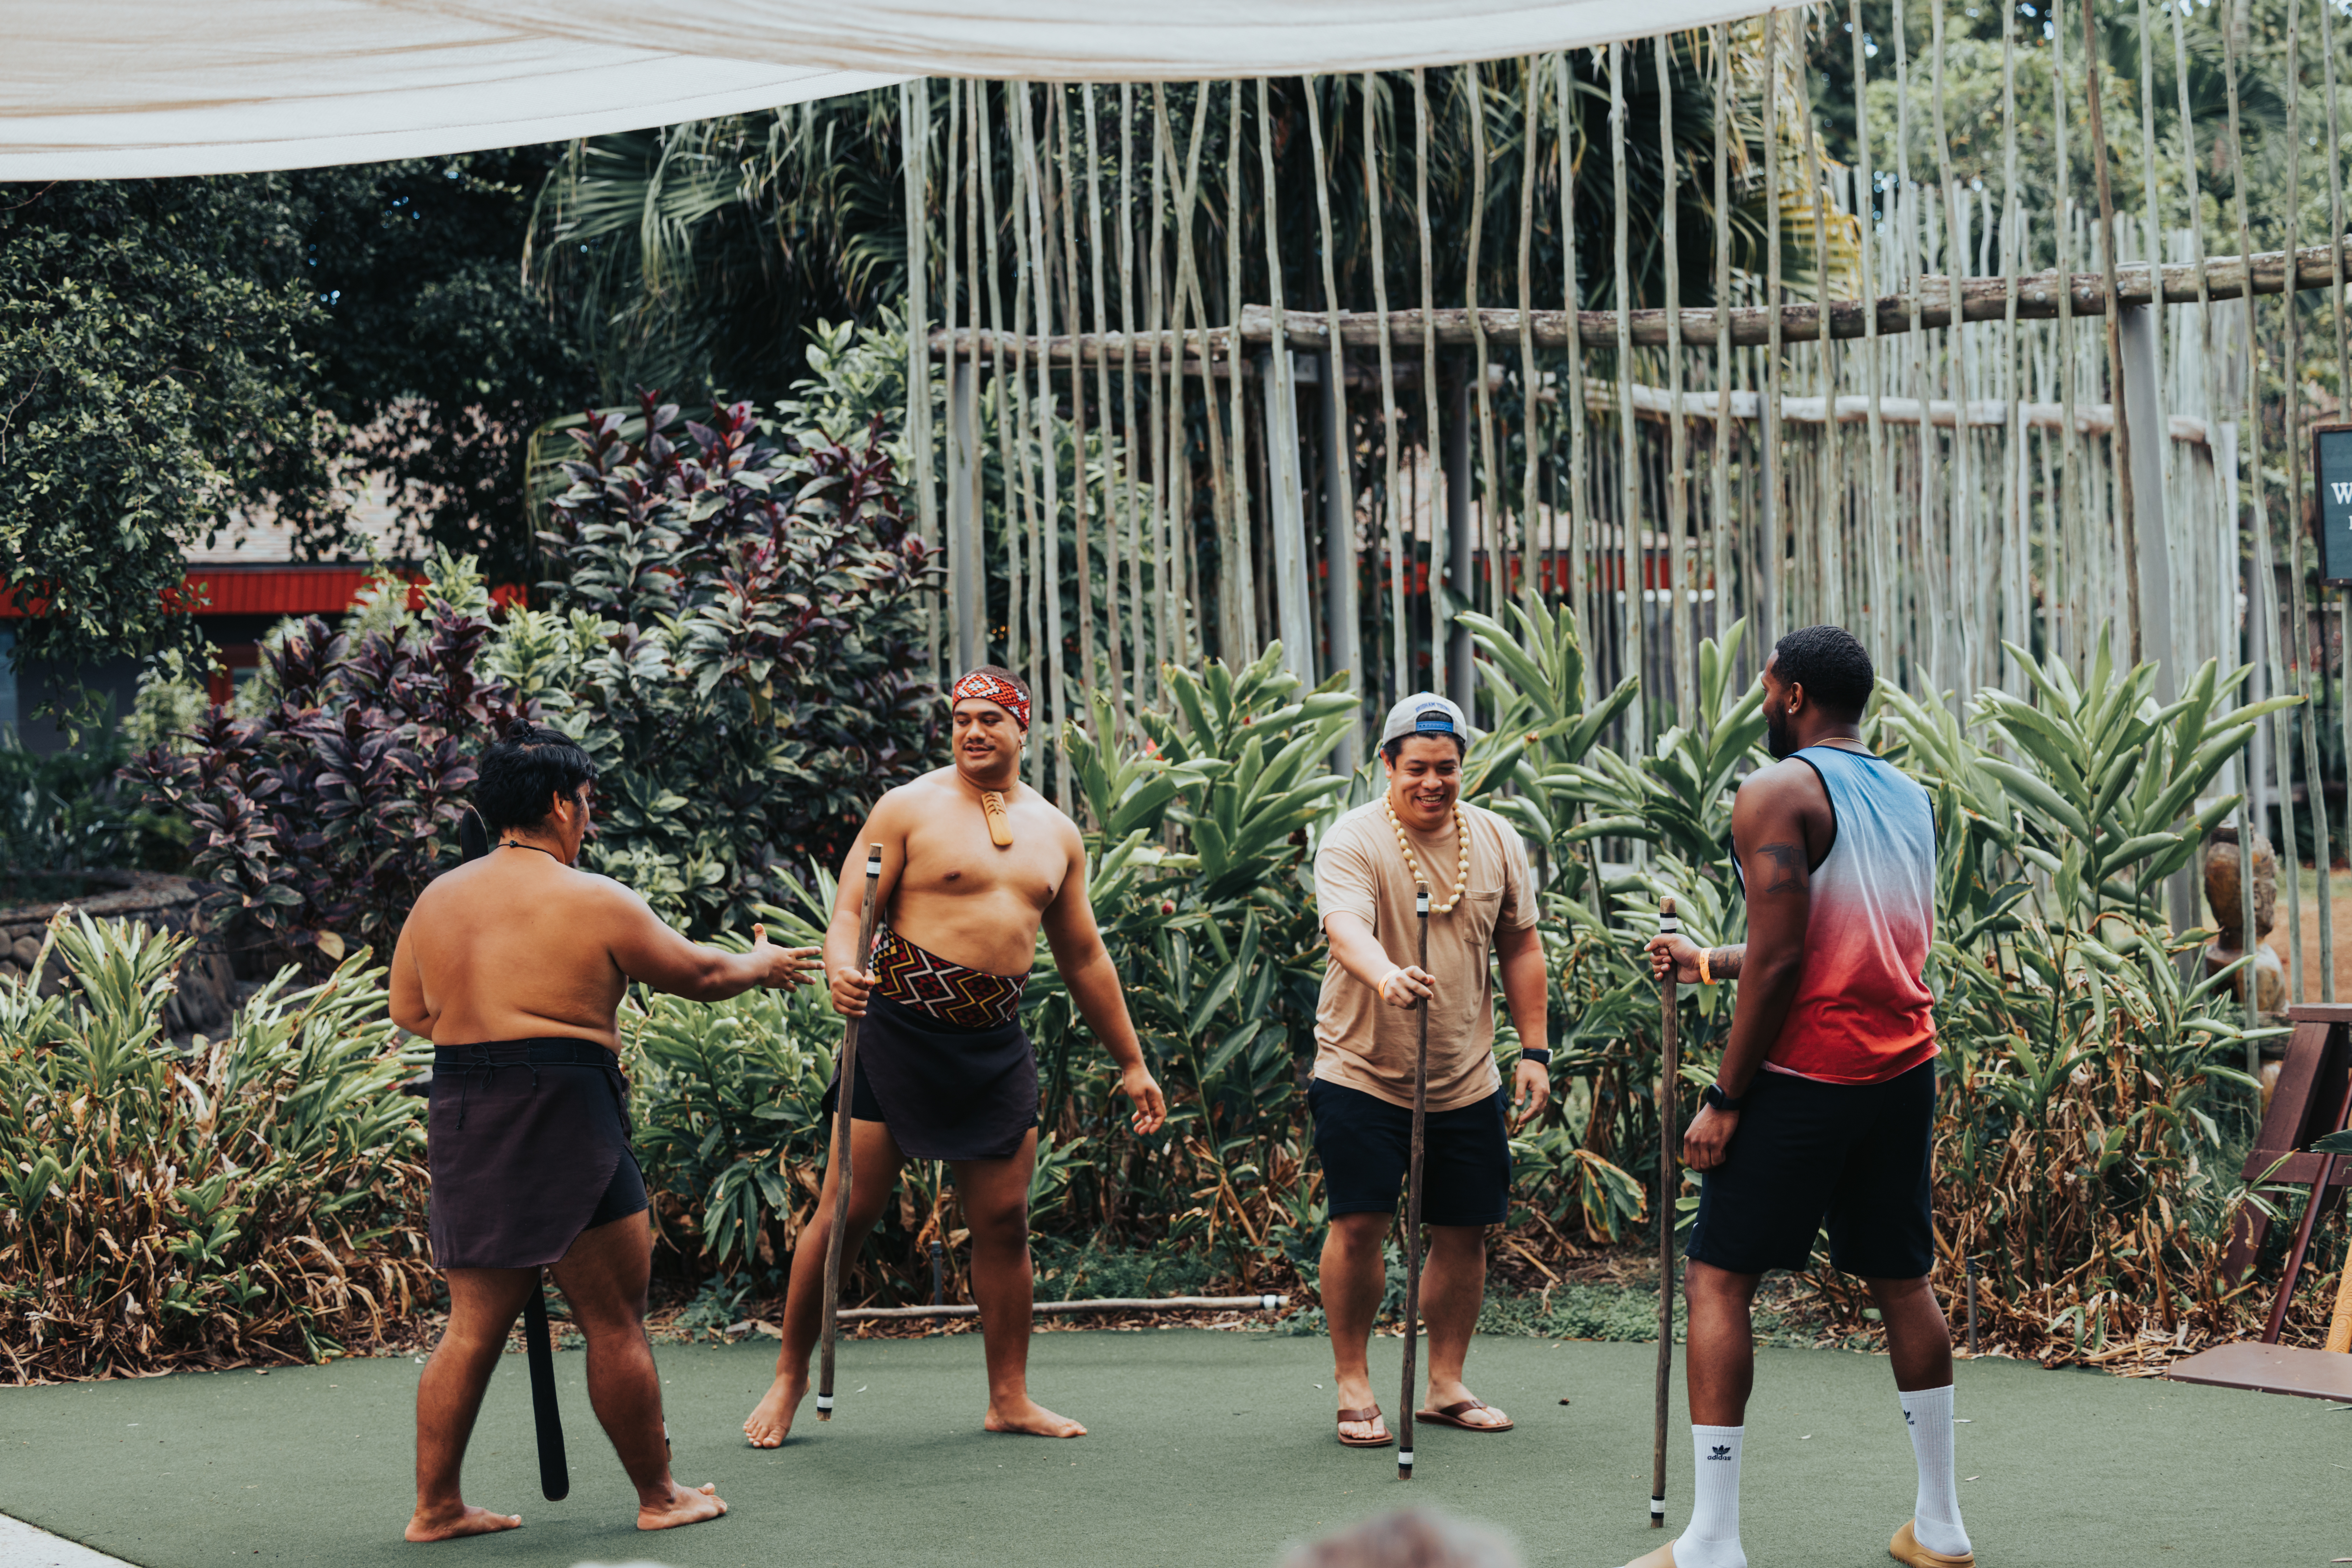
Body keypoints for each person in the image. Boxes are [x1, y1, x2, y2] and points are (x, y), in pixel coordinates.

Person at [390, 720, 820, 1542]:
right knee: (614, 1314)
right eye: (585, 803)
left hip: (465, 1106)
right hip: (564, 1101)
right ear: (559, 803)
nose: (587, 819)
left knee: (472, 1322)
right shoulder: (593, 897)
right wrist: (764, 965)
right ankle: (660, 1494)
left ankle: (435, 1506)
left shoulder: (437, 899)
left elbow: (409, 1010)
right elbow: (697, 974)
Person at [742, 665, 1167, 1447]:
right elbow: (849, 911)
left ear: (1022, 729)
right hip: (896, 1031)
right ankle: (789, 1376)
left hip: (992, 1043)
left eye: (990, 718)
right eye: (961, 717)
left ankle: (1009, 1395)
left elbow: (1084, 957)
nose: (973, 730)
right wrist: (841, 965)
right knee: (846, 1211)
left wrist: (1132, 1061)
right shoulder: (908, 807)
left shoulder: (1055, 831)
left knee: (1004, 1220)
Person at [1636, 626, 1971, 1568]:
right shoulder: (1910, 797)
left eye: (1764, 688)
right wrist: (1707, 961)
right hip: (1903, 1070)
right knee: (1903, 1279)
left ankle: (1711, 1543)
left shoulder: (1775, 791)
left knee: (1720, 1280)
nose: (1760, 702)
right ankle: (1941, 1527)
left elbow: (1785, 960)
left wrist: (1724, 1096)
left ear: (1789, 696)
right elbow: (1844, 942)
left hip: (1807, 1076)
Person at [1309, 692, 1551, 1450]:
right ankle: (1354, 1382)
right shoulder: (1353, 840)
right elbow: (1345, 925)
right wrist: (1385, 973)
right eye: (1417, 767)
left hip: (1464, 1071)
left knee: (1464, 1230)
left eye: (1447, 767)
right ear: (1387, 764)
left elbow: (1521, 945)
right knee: (1360, 1223)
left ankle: (1444, 1383)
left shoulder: (1497, 837)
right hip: (1362, 1067)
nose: (1433, 782)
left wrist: (1534, 1050)